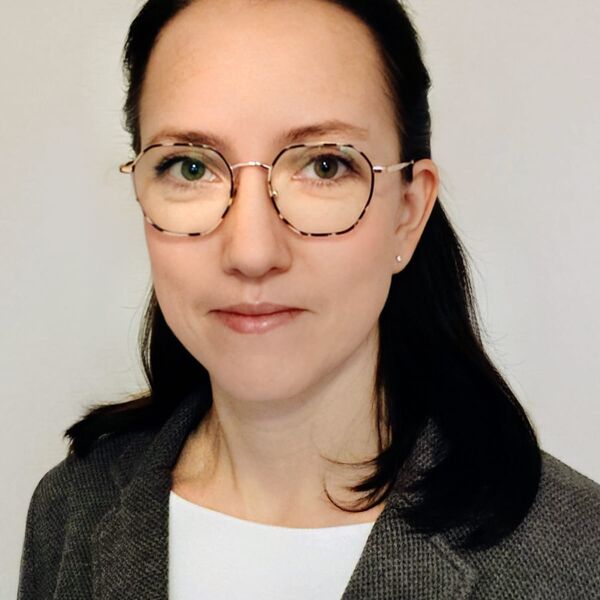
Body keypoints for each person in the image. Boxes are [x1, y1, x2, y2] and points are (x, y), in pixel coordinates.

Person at [17, 0, 600, 598]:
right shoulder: (71, 507)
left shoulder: (580, 554)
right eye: (189, 167)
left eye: (324, 165)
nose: (251, 251)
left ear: (407, 212)